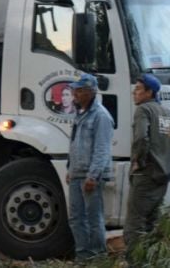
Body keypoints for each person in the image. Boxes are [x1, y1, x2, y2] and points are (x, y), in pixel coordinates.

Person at [123, 74, 170, 259]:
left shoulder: (143, 110)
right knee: (151, 223)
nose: (134, 93)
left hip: (146, 175)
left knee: (134, 225)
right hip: (162, 176)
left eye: (138, 89)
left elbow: (141, 138)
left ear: (149, 92)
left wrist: (139, 160)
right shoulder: (165, 112)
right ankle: (150, 260)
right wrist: (167, 144)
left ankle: (134, 262)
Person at [65, 74, 114, 262]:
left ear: (90, 92)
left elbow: (102, 149)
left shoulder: (101, 116)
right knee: (76, 218)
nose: (74, 94)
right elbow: (74, 143)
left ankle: (97, 257)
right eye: (74, 90)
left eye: (78, 90)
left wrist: (92, 176)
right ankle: (83, 256)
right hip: (78, 174)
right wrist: (70, 168)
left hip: (90, 177)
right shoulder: (81, 114)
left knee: (94, 219)